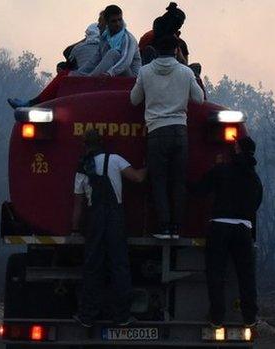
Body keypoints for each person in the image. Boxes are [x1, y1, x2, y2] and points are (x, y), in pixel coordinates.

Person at [129, 34, 204, 239]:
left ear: (155, 50)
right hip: (180, 131)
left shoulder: (145, 72)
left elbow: (134, 100)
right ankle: (176, 227)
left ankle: (163, 227)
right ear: (176, 50)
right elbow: (199, 98)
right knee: (178, 181)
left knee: (159, 180)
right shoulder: (185, 72)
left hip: (156, 131)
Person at [71, 129, 147, 327]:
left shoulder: (82, 167)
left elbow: (78, 204)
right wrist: (150, 165)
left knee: (92, 267)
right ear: (102, 143)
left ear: (85, 145)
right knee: (119, 266)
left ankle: (87, 316)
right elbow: (138, 178)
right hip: (115, 219)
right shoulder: (115, 160)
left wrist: (74, 229)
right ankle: (122, 316)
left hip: (94, 221)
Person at [191, 136, 263, 329]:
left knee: (216, 273)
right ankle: (249, 317)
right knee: (245, 275)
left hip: (220, 227)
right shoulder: (254, 178)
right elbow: (256, 204)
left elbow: (199, 190)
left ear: (238, 149)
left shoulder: (222, 170)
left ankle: (217, 318)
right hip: (243, 229)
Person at [7, 16, 105, 109]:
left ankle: (33, 103)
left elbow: (67, 54)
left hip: (82, 82)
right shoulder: (106, 46)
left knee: (63, 74)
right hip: (103, 83)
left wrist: (84, 40)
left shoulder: (79, 48)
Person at [89, 5, 141, 77]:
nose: (118, 24)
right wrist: (78, 74)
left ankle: (90, 80)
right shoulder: (105, 38)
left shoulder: (127, 38)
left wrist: (110, 73)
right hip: (114, 73)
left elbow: (126, 61)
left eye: (120, 20)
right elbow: (95, 60)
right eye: (114, 21)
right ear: (107, 22)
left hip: (132, 78)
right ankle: (88, 78)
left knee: (113, 53)